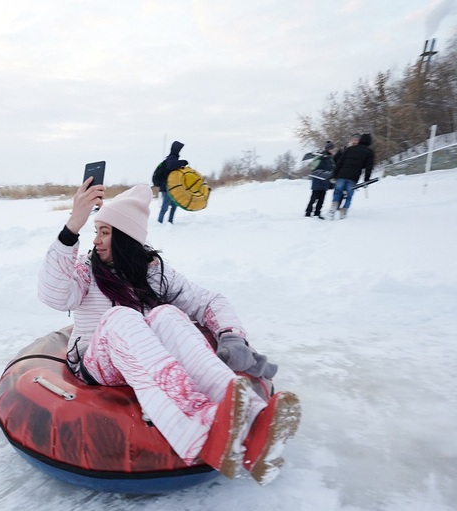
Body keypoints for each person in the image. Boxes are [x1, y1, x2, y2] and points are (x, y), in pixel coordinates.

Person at [37, 179, 301, 485]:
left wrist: (231, 336)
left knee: (167, 314)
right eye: (96, 231)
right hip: (98, 365)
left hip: (143, 360)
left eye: (104, 232)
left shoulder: (153, 272)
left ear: (125, 238)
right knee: (121, 317)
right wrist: (73, 226)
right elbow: (53, 295)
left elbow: (208, 301)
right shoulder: (85, 271)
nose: (96, 240)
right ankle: (198, 425)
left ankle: (255, 421)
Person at [329, 133, 375, 220]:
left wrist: (335, 174)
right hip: (353, 177)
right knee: (349, 195)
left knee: (338, 191)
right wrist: (366, 179)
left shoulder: (350, 149)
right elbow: (369, 167)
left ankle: (333, 207)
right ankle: (344, 211)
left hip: (342, 174)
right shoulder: (369, 152)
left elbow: (340, 162)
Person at [153, 141, 189, 224]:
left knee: (174, 205)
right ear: (176, 149)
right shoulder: (171, 158)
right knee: (165, 206)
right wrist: (183, 162)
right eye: (179, 149)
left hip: (172, 188)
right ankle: (159, 223)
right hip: (166, 187)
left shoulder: (173, 158)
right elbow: (171, 166)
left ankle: (170, 222)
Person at [305, 141, 335, 219]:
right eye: (331, 149)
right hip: (318, 181)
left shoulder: (330, 159)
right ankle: (308, 213)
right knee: (314, 198)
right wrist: (320, 158)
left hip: (325, 181)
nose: (332, 150)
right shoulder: (320, 156)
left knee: (322, 199)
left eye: (333, 149)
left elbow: (332, 169)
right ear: (328, 149)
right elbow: (313, 166)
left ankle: (317, 213)